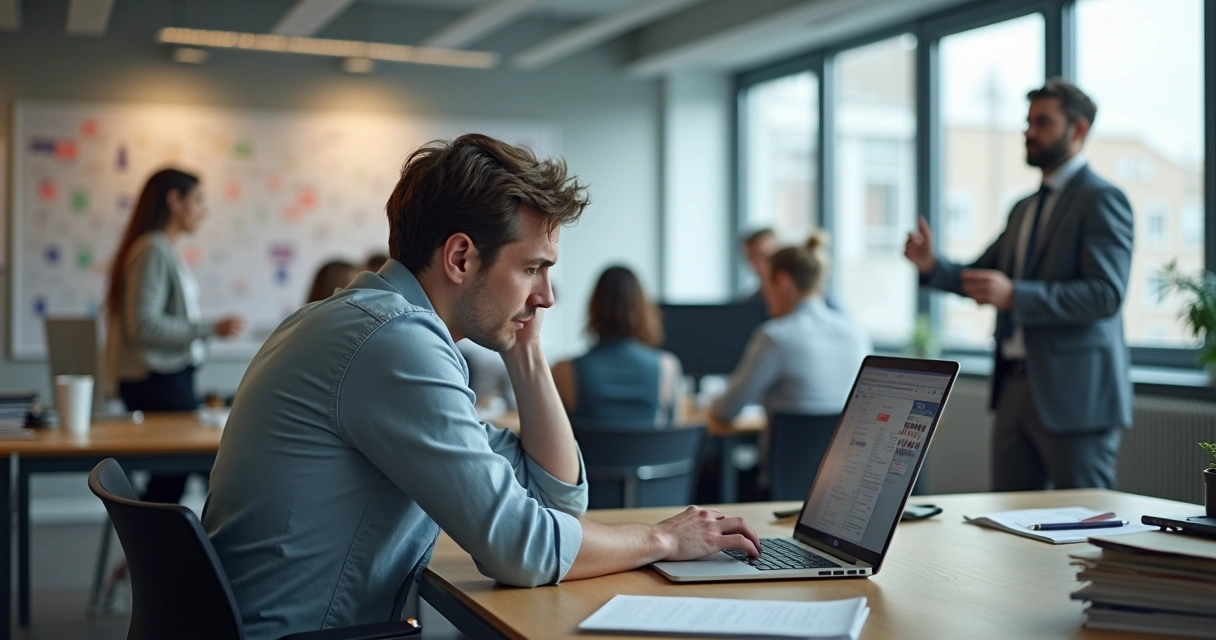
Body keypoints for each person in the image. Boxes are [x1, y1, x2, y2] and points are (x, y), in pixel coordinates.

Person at [202, 134, 760, 640]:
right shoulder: (395, 343)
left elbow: (555, 499)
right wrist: (664, 539)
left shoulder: (360, 321)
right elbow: (522, 550)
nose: (546, 297)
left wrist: (527, 350)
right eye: (532, 269)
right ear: (461, 257)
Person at [904, 78, 1133, 491]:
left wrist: (1016, 295)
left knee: (1082, 529)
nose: (1028, 132)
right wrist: (932, 265)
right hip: (1012, 388)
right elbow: (982, 277)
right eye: (1028, 121)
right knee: (1008, 526)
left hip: (1075, 397)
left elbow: (1106, 295)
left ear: (1077, 130)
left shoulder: (1102, 199)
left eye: (1042, 122)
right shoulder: (1023, 208)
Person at [104, 168, 244, 504]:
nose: (203, 210)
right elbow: (144, 326)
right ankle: (157, 553)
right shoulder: (152, 249)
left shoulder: (162, 248)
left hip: (167, 378)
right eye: (198, 200)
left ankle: (152, 552)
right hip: (157, 380)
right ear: (174, 200)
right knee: (198, 471)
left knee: (171, 480)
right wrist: (210, 328)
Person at [712, 232, 870, 495]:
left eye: (765, 282)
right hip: (845, 486)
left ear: (782, 281)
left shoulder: (774, 336)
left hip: (779, 489)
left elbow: (726, 409)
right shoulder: (855, 332)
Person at [552, 266, 685, 426]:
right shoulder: (668, 366)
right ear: (643, 310)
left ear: (594, 308)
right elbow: (674, 434)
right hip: (648, 452)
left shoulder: (563, 370)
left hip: (591, 452)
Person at [739, 228, 778, 303]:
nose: (756, 264)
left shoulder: (798, 300)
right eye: (750, 258)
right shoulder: (749, 303)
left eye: (763, 256)